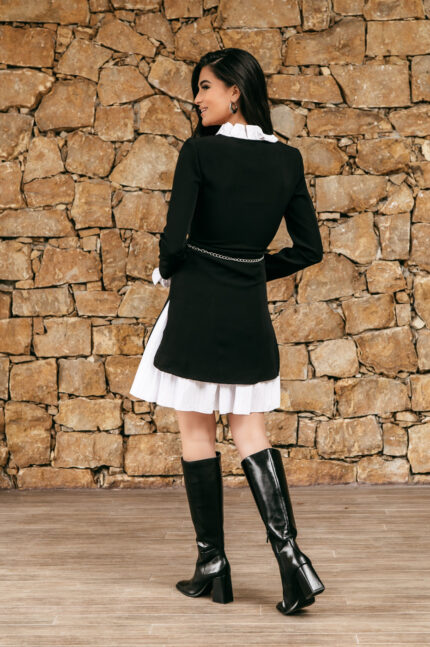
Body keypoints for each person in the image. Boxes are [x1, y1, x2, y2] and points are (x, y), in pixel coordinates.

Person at [129, 48, 325, 616]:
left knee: (196, 432)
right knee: (251, 433)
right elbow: (309, 249)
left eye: (206, 87)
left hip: (196, 306)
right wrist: (252, 269)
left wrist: (171, 268)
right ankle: (292, 561)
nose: (197, 98)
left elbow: (173, 241)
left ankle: (212, 564)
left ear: (235, 92)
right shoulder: (287, 159)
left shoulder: (199, 151)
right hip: (246, 310)